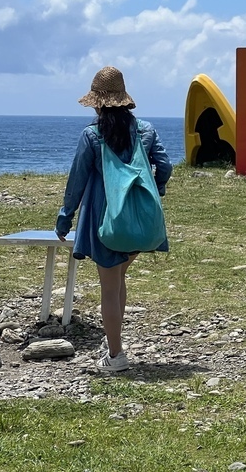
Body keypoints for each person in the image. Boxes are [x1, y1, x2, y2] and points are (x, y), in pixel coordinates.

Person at [55, 66, 173, 373]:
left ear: (97, 102)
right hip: (137, 221)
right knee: (119, 279)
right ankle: (114, 348)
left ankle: (116, 355)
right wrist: (155, 189)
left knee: (109, 287)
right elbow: (165, 165)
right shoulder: (145, 130)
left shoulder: (92, 136)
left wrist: (65, 218)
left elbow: (77, 182)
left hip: (103, 220)